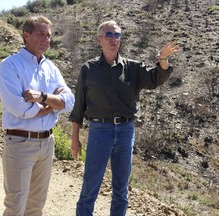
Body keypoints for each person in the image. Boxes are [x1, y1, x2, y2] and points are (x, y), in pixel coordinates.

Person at [69, 20, 179, 216]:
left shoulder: (132, 68)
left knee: (121, 190)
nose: (114, 39)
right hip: (99, 131)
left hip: (125, 131)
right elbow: (79, 106)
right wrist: (75, 139)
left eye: (117, 35)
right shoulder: (88, 69)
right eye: (109, 35)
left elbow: (156, 78)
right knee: (90, 188)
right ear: (99, 40)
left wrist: (162, 59)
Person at [0, 15, 74, 215]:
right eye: (41, 35)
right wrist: (52, 104)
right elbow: (20, 109)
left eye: (48, 36)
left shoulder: (50, 68)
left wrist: (43, 97)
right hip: (20, 143)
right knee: (15, 205)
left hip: (47, 143)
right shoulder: (10, 66)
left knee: (37, 205)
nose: (46, 40)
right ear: (26, 36)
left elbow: (70, 101)